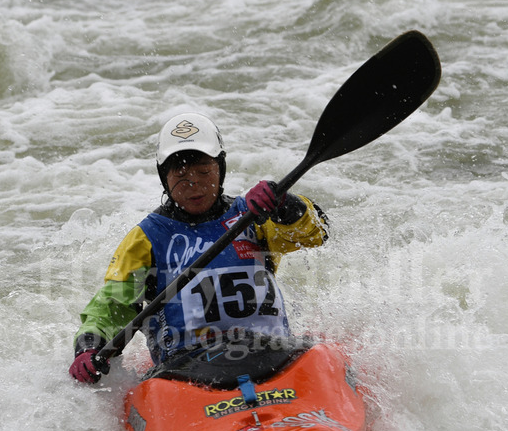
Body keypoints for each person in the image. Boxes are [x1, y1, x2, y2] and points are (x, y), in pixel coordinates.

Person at [69, 111, 329, 383]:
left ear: (221, 168)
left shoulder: (255, 216)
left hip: (276, 359)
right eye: (180, 175)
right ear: (164, 178)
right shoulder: (146, 238)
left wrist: (284, 204)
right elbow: (113, 306)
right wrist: (89, 345)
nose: (194, 185)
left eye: (204, 172)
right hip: (186, 374)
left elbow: (317, 233)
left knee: (320, 356)